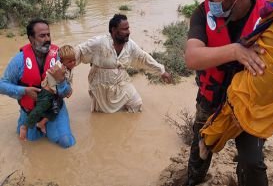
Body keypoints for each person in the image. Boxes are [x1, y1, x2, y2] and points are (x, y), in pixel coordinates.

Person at [184, 0, 273, 185]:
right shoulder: (201, 12)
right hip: (212, 99)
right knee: (200, 150)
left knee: (252, 162)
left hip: (250, 101)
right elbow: (192, 57)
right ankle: (193, 180)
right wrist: (236, 51)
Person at [0, 19, 75, 148]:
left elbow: (67, 92)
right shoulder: (19, 61)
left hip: (54, 108)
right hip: (30, 110)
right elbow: (2, 85)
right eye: (42, 36)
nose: (47, 39)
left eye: (48, 35)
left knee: (66, 143)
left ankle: (50, 125)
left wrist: (61, 80)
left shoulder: (59, 57)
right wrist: (24, 91)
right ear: (31, 38)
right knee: (28, 142)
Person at [75, 14, 172, 113]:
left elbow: (143, 58)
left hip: (121, 82)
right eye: (124, 29)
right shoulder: (99, 43)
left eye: (128, 28)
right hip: (101, 84)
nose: (128, 32)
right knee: (101, 113)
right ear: (113, 30)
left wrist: (161, 71)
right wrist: (65, 66)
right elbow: (80, 51)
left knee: (136, 104)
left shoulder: (130, 46)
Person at [19, 45, 76, 140]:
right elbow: (56, 82)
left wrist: (69, 89)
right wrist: (65, 89)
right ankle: (24, 126)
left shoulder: (68, 68)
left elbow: (66, 83)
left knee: (55, 110)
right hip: (47, 92)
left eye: (74, 60)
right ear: (62, 61)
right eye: (70, 61)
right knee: (40, 109)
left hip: (54, 94)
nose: (73, 63)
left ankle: (41, 124)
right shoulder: (58, 68)